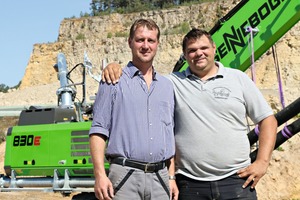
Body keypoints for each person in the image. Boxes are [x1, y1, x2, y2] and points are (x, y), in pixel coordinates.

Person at [102, 28, 277, 200]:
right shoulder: (172, 83)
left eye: (204, 48)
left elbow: (267, 120)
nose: (198, 54)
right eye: (192, 50)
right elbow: (145, 75)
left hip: (236, 181)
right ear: (185, 56)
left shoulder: (238, 79)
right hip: (190, 185)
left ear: (214, 48)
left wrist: (262, 162)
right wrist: (114, 67)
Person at [89, 19, 178, 200]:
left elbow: (168, 135)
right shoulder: (113, 80)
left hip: (160, 178)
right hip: (125, 177)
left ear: (158, 44)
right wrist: (99, 175)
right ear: (130, 42)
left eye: (150, 40)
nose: (145, 45)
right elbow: (98, 130)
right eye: (140, 40)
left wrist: (171, 176)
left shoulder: (167, 86)